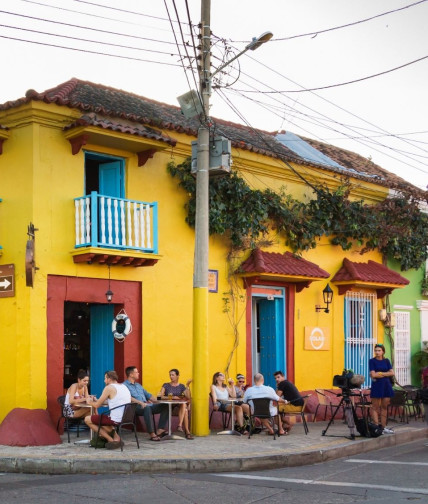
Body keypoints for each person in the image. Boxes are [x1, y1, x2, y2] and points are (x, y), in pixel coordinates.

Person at [84, 370, 131, 450]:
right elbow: (114, 400)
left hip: (115, 419)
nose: (104, 380)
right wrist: (97, 400)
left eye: (105, 378)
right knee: (103, 420)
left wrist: (89, 401)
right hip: (126, 418)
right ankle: (117, 438)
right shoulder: (123, 386)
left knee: (87, 419)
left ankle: (110, 440)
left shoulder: (109, 388)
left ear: (109, 379)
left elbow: (97, 405)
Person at [123, 366, 169, 442]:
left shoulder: (138, 385)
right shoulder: (124, 386)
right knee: (146, 408)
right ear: (131, 374)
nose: (138, 373)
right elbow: (128, 397)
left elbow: (149, 395)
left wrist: (159, 401)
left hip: (145, 405)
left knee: (165, 406)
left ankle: (160, 429)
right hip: (134, 407)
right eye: (136, 372)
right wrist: (140, 402)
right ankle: (151, 433)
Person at [159, 368, 194, 440]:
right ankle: (186, 431)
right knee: (185, 410)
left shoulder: (181, 386)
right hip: (168, 408)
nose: (171, 376)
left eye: (173, 375)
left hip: (178, 409)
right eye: (170, 375)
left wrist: (187, 385)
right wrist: (172, 397)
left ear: (178, 376)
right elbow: (160, 396)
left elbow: (188, 397)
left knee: (184, 406)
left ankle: (181, 426)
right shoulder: (166, 385)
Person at [369, 343, 395, 434]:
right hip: (377, 385)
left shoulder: (387, 361)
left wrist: (380, 373)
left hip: (386, 385)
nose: (377, 352)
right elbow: (373, 374)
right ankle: (376, 427)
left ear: (383, 351)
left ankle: (383, 428)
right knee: (375, 407)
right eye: (376, 350)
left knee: (384, 407)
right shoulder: (372, 361)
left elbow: (392, 373)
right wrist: (385, 373)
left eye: (379, 350)